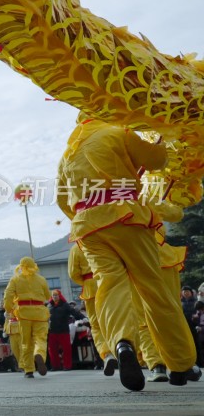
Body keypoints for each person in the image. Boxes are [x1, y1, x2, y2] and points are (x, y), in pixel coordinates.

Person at [57, 118, 197, 391]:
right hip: (126, 215)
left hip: (87, 224)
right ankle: (179, 362)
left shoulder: (68, 154)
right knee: (152, 289)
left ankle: (122, 343)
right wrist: (160, 139)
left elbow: (64, 200)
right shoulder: (118, 132)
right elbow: (155, 160)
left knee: (110, 284)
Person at [68, 243, 115, 375]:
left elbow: (73, 273)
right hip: (109, 281)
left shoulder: (76, 248)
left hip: (90, 287)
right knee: (113, 320)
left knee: (96, 325)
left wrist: (85, 281)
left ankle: (107, 354)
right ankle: (123, 348)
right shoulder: (103, 237)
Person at [3, 257, 51, 379]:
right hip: (40, 312)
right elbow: (48, 295)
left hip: (23, 313)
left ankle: (29, 370)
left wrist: (10, 309)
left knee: (26, 342)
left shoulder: (15, 279)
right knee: (40, 338)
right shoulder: (41, 279)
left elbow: (8, 295)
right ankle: (39, 353)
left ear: (21, 266)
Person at [47, 289, 82, 371]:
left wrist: (83, 318)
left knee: (66, 350)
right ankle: (55, 366)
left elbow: (74, 312)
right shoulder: (49, 306)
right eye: (53, 295)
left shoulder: (65, 305)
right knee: (52, 350)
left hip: (64, 331)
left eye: (56, 295)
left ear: (59, 296)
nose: (54, 297)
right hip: (52, 331)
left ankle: (67, 366)